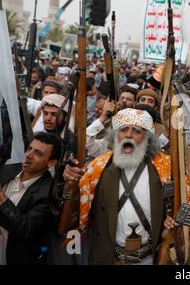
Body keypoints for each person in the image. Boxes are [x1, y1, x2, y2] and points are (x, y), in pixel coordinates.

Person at [62, 108, 175, 264]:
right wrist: (67, 180)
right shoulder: (98, 167)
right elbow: (71, 204)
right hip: (109, 259)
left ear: (147, 138)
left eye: (136, 131)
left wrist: (171, 219)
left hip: (150, 258)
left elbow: (188, 201)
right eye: (123, 130)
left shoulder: (166, 168)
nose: (128, 135)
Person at [0, 132, 62, 265]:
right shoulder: (7, 170)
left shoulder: (50, 194)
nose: (28, 155)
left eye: (38, 154)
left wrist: (2, 199)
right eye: (29, 149)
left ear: (51, 162)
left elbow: (26, 229)